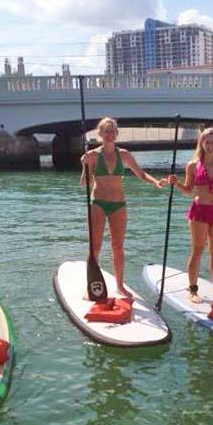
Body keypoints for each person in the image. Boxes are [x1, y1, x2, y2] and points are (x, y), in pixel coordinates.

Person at [80, 117, 165, 298]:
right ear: (100, 134)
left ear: (116, 133)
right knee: (95, 247)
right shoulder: (94, 156)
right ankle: (91, 285)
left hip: (118, 204)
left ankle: (120, 285)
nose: (110, 134)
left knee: (118, 246)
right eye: (106, 131)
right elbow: (84, 183)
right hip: (98, 203)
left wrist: (156, 182)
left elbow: (141, 174)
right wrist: (84, 165)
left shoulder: (124, 155)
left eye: (113, 131)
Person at [167, 128, 213, 303]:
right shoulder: (193, 166)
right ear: (201, 144)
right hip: (199, 211)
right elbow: (188, 190)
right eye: (207, 142)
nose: (210, 145)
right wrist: (175, 183)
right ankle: (193, 290)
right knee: (197, 250)